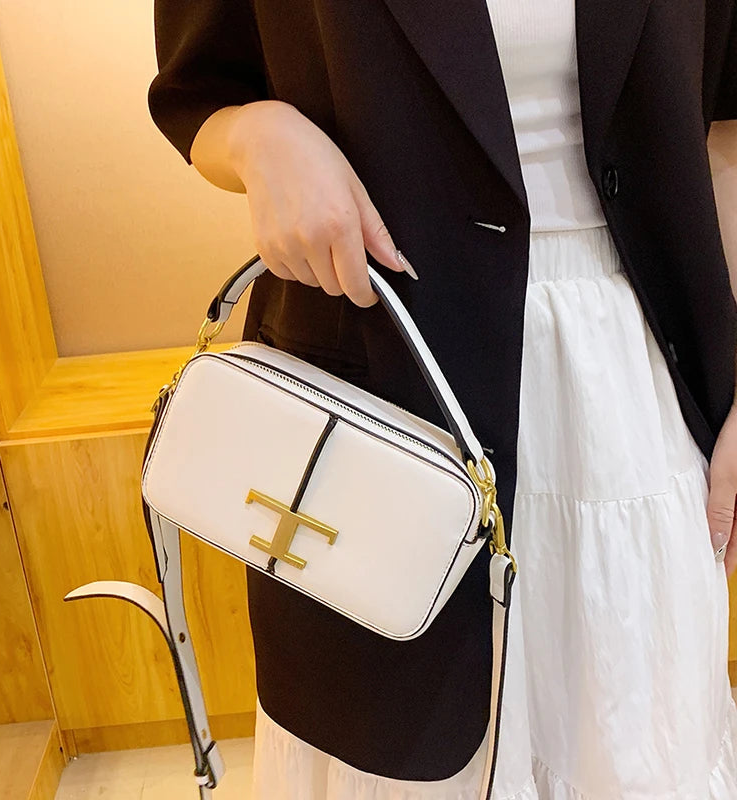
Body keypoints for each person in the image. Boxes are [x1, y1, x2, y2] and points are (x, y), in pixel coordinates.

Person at [147, 0, 737, 797]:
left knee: (631, 739)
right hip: (382, 383)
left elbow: (727, 124)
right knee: (398, 747)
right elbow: (200, 90)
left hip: (630, 385)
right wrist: (261, 138)